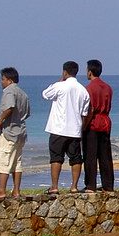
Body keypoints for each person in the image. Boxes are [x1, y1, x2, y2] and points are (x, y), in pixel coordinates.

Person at [42, 61, 91, 194]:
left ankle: (54, 186)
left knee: (56, 158)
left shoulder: (60, 86)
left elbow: (45, 94)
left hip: (59, 128)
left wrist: (60, 80)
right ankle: (74, 186)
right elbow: (84, 113)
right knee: (75, 159)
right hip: (74, 129)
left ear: (65, 72)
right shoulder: (83, 90)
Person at [0, 67, 30, 200]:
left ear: (9, 80)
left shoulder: (9, 91)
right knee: (16, 162)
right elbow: (27, 113)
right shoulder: (23, 93)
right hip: (20, 131)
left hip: (9, 131)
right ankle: (16, 190)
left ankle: (1, 190)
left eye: (3, 79)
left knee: (3, 160)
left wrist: (0, 120)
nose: (1, 82)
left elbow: (10, 107)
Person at [83, 59, 114, 192]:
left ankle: (91, 185)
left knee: (90, 155)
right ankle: (108, 184)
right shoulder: (107, 87)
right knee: (105, 155)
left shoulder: (89, 88)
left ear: (89, 72)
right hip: (105, 121)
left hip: (94, 122)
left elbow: (91, 109)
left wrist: (84, 125)